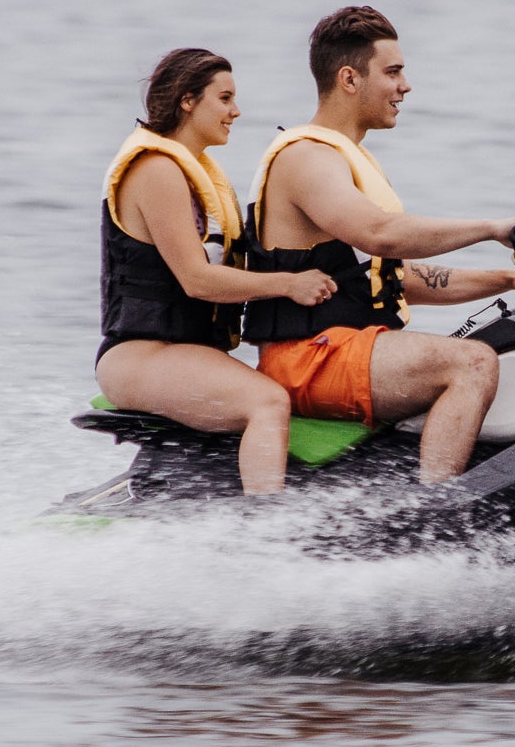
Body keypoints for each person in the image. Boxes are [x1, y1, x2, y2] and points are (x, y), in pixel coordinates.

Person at [244, 6, 515, 482]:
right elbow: (380, 234)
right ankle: (439, 516)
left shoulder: (347, 159)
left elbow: (395, 278)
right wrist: (492, 227)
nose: (405, 86)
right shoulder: (306, 158)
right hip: (309, 357)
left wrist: (510, 281)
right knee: (472, 363)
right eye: (392, 72)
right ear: (349, 78)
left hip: (342, 347)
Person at [96, 48, 337, 494]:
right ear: (188, 101)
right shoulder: (157, 169)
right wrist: (289, 285)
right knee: (266, 402)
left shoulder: (194, 173)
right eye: (224, 98)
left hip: (180, 352)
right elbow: (197, 279)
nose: (236, 111)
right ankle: (267, 534)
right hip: (140, 353)